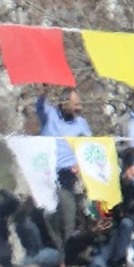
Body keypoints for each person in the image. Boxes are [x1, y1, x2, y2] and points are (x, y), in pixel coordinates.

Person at [36, 87, 92, 246]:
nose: (78, 108)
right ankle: (57, 248)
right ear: (64, 104)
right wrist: (44, 91)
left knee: (68, 215)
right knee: (49, 216)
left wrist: (80, 164)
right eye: (75, 104)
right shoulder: (50, 116)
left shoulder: (81, 124)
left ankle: (67, 251)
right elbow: (40, 105)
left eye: (79, 104)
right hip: (46, 173)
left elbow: (89, 147)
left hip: (68, 176)